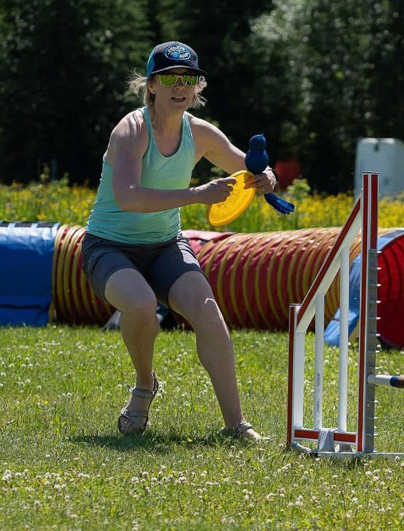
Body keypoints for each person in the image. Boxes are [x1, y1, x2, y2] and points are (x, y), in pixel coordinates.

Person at [81, 41, 275, 440]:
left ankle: (236, 425)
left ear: (198, 87)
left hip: (165, 246)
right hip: (109, 246)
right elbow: (128, 197)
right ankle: (144, 385)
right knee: (140, 304)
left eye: (189, 78)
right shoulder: (131, 130)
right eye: (169, 78)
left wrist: (266, 179)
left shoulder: (200, 133)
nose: (180, 85)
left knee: (209, 315)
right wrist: (197, 195)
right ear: (150, 85)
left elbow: (249, 166)